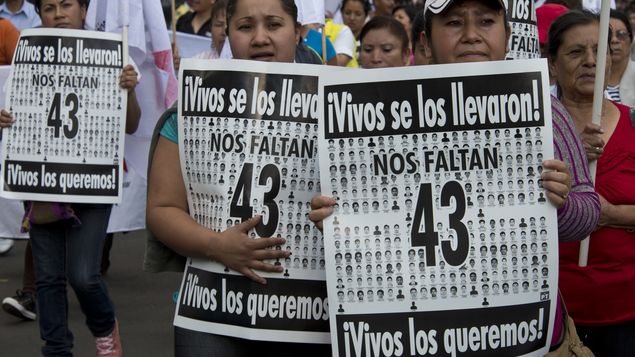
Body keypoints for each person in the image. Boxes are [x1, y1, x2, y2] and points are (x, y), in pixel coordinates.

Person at [310, 0, 599, 352]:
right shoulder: (373, 113)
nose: (472, 35)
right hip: (417, 335)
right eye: (454, 23)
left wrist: (563, 203)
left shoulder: (544, 109)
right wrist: (338, 223)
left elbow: (588, 211)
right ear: (426, 43)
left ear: (507, 36)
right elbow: (357, 222)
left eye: (487, 21)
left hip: (523, 336)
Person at [146, 0, 330, 355]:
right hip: (213, 307)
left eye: (274, 24)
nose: (260, 37)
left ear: (298, 31)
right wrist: (216, 246)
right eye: (245, 27)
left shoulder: (342, 107)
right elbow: (162, 208)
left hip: (311, 313)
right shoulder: (188, 109)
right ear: (227, 32)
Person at [0, 0, 141, 355]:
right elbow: (13, 115)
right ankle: (57, 348)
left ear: (83, 11)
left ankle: (104, 326)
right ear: (41, 14)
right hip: (44, 185)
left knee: (83, 275)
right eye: (49, 7)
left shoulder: (113, 54)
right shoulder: (27, 57)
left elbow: (133, 124)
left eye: (66, 5)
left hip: (91, 185)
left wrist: (130, 89)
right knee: (47, 278)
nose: (58, 14)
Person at [549, 10, 635, 356]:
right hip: (558, 316)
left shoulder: (633, 122)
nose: (589, 62)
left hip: (627, 312)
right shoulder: (534, 131)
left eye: (597, 52)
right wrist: (571, 153)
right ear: (553, 65)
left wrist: (610, 213)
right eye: (575, 53)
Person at [605, 9, 635, 106]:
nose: (614, 40)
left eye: (621, 34)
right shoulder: (587, 78)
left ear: (631, 40)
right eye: (608, 35)